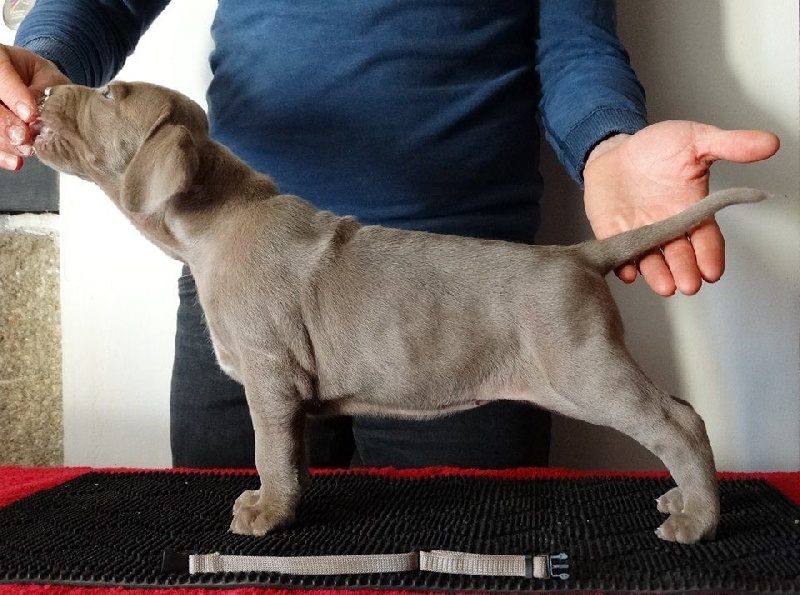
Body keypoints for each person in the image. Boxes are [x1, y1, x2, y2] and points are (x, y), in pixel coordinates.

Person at [0, 1, 779, 469]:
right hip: (238, 271)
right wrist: (43, 56)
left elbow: (576, 44)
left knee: (470, 561)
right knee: (232, 559)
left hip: (464, 299)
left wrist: (606, 143)